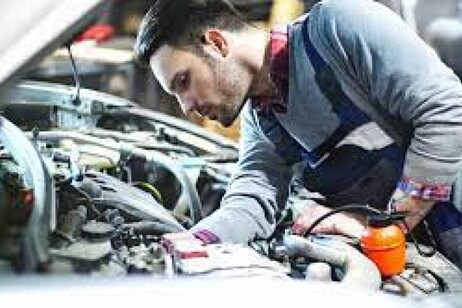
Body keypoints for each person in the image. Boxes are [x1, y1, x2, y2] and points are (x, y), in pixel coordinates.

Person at [134, 0, 462, 269]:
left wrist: (387, 223)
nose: (186, 107)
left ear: (217, 43)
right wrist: (194, 241)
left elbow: (444, 108)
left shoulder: (339, 27)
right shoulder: (262, 120)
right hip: (419, 252)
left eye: (183, 82)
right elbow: (251, 200)